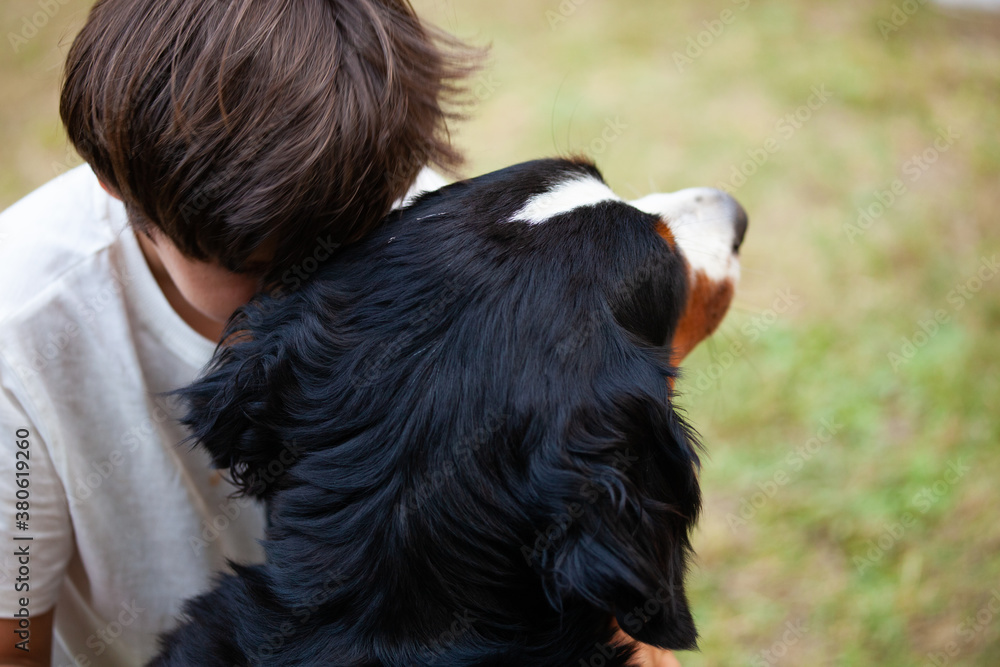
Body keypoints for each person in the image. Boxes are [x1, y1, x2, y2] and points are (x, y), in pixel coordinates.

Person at [0, 1, 473, 664]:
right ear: (112, 180)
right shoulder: (19, 334)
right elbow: (14, 631)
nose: (310, 285)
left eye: (348, 245)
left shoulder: (407, 217)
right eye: (261, 267)